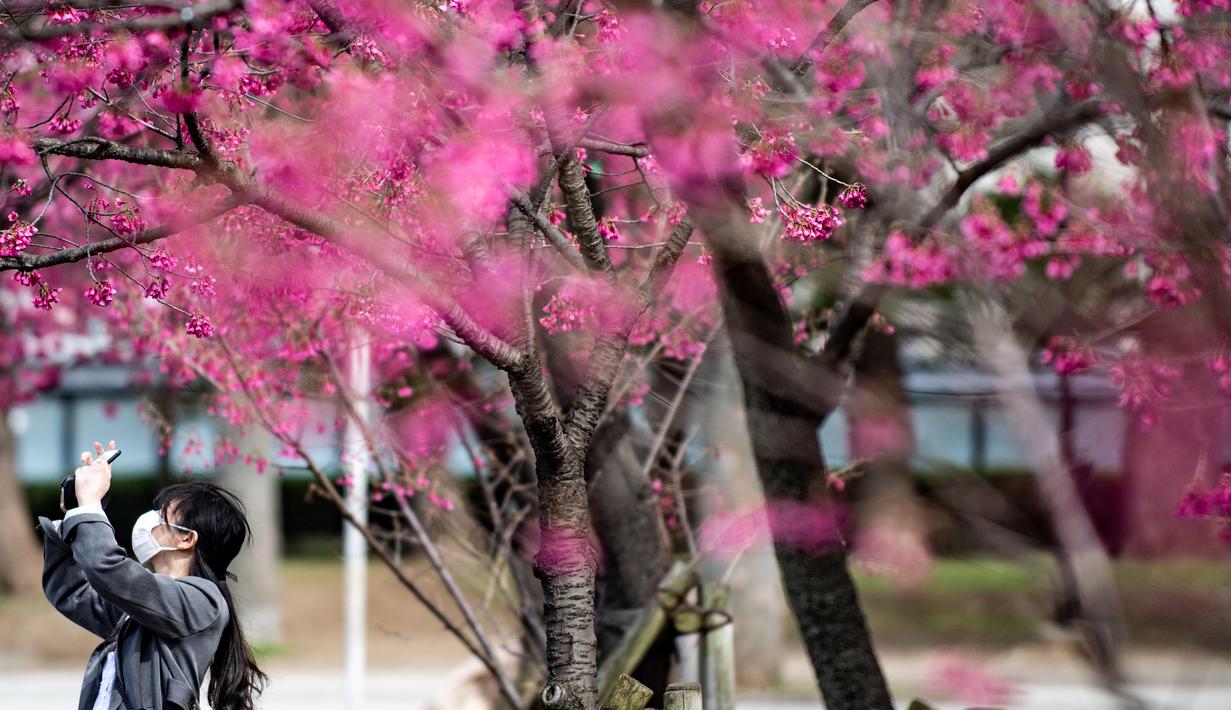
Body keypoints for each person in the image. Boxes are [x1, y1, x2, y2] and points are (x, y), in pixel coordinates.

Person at [38, 440, 268, 710]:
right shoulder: (144, 605)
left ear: (186, 539)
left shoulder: (203, 602)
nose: (150, 519)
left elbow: (108, 569)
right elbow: (72, 593)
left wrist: (90, 505)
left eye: (163, 515)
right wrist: (76, 512)